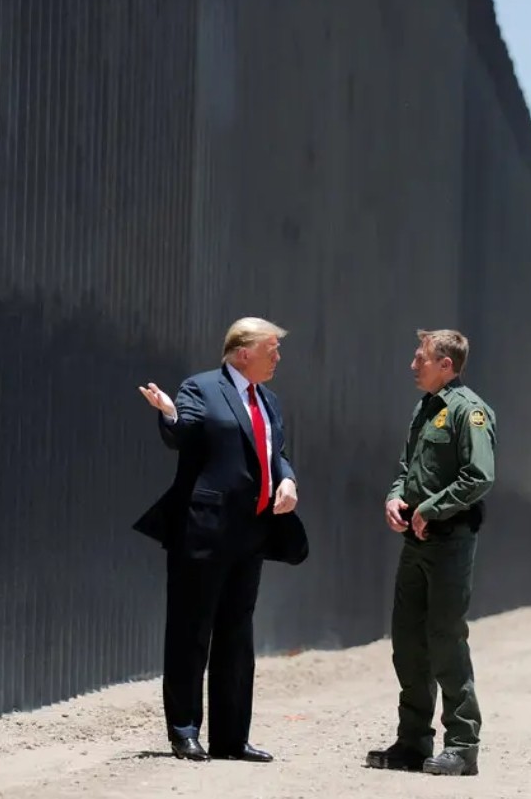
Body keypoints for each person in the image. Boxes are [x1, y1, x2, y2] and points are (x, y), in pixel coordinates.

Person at [133, 317, 308, 764]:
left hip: (250, 533)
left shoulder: (268, 400)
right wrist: (169, 412)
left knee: (236, 636)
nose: (278, 358)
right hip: (203, 529)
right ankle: (185, 730)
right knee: (191, 631)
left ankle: (231, 738)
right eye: (272, 349)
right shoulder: (201, 387)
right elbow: (184, 432)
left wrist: (286, 480)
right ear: (243, 351)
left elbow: (277, 453)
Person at [366, 328, 497, 778]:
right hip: (416, 542)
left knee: (444, 639)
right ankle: (413, 741)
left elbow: (479, 475)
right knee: (407, 643)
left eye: (420, 357)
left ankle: (462, 746)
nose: (412, 364)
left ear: (446, 364)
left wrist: (432, 508)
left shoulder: (469, 412)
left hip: (450, 541)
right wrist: (395, 496)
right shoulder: (425, 408)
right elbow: (407, 468)